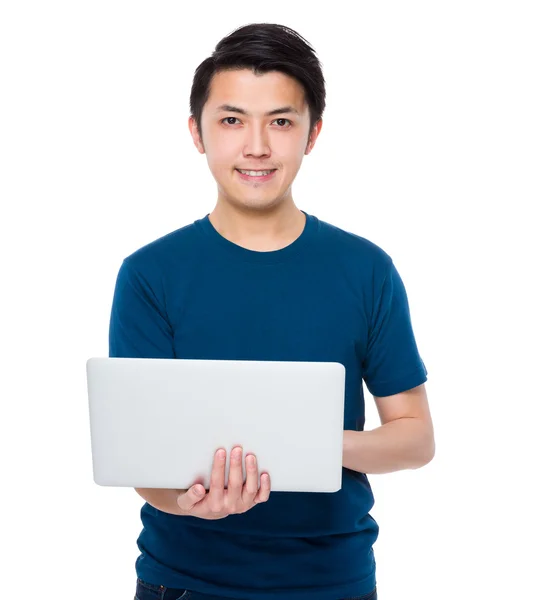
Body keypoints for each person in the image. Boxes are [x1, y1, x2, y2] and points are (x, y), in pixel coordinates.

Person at [108, 22, 435, 600]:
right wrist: (190, 502)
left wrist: (300, 443)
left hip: (333, 581)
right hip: (183, 583)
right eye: (232, 120)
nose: (256, 146)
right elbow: (142, 462)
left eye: (281, 122)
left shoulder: (365, 270)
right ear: (197, 132)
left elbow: (414, 438)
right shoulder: (150, 275)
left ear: (312, 135)